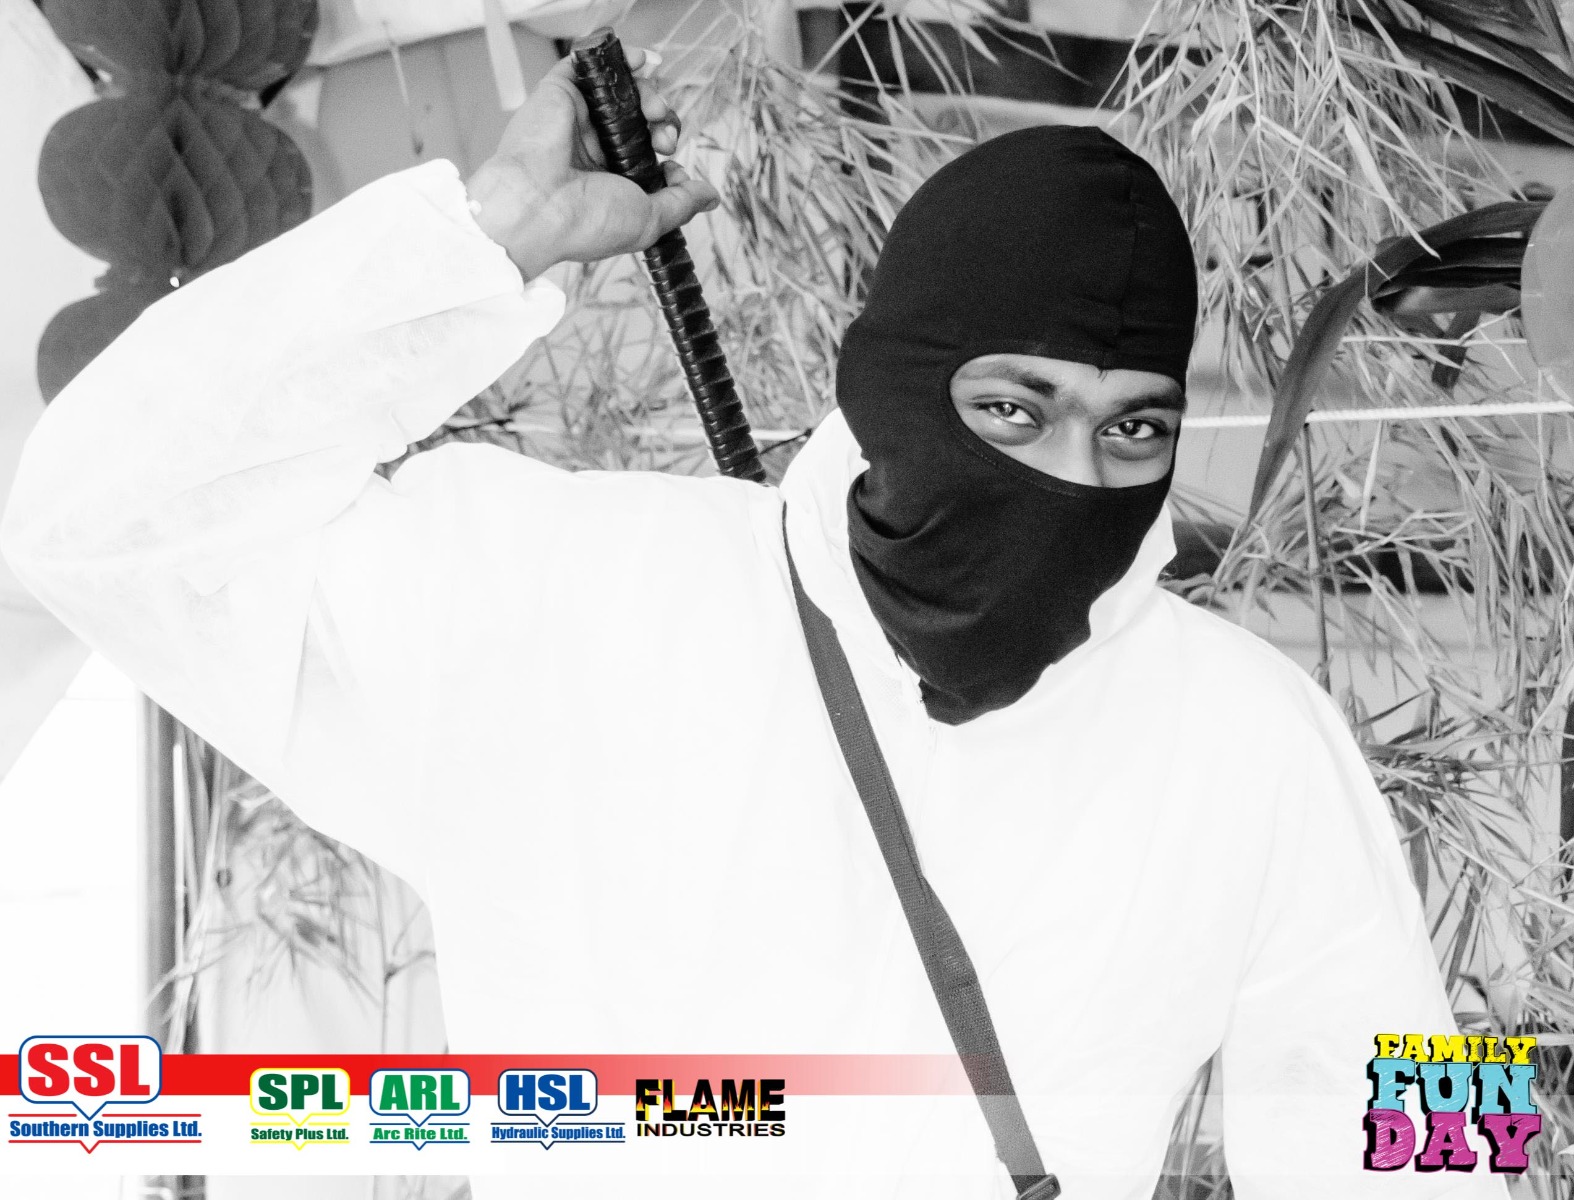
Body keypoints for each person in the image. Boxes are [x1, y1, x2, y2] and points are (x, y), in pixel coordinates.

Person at [1, 49, 1508, 1200]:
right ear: (895, 379)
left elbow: (1424, 1134)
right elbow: (108, 520)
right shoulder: (561, 598)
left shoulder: (1247, 733)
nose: (1069, 476)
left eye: (1132, 431)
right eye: (1012, 407)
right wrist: (477, 248)